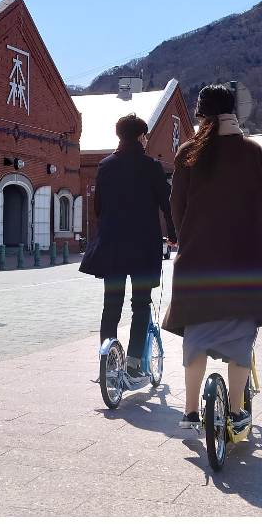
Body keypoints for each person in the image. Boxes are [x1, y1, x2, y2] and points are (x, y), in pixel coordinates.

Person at [162, 84, 262, 432]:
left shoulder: (188, 152)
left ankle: (190, 412)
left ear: (200, 114)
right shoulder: (251, 151)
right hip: (243, 262)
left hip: (197, 263)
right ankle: (235, 412)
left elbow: (176, 206)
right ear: (233, 112)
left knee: (196, 338)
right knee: (240, 339)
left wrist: (183, 238)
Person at [79, 112, 176, 379]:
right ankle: (133, 365)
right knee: (141, 304)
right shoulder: (152, 166)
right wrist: (173, 234)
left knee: (111, 305)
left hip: (112, 245)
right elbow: (167, 205)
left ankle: (108, 364)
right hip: (144, 247)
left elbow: (98, 207)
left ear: (119, 136)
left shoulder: (105, 165)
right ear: (142, 136)